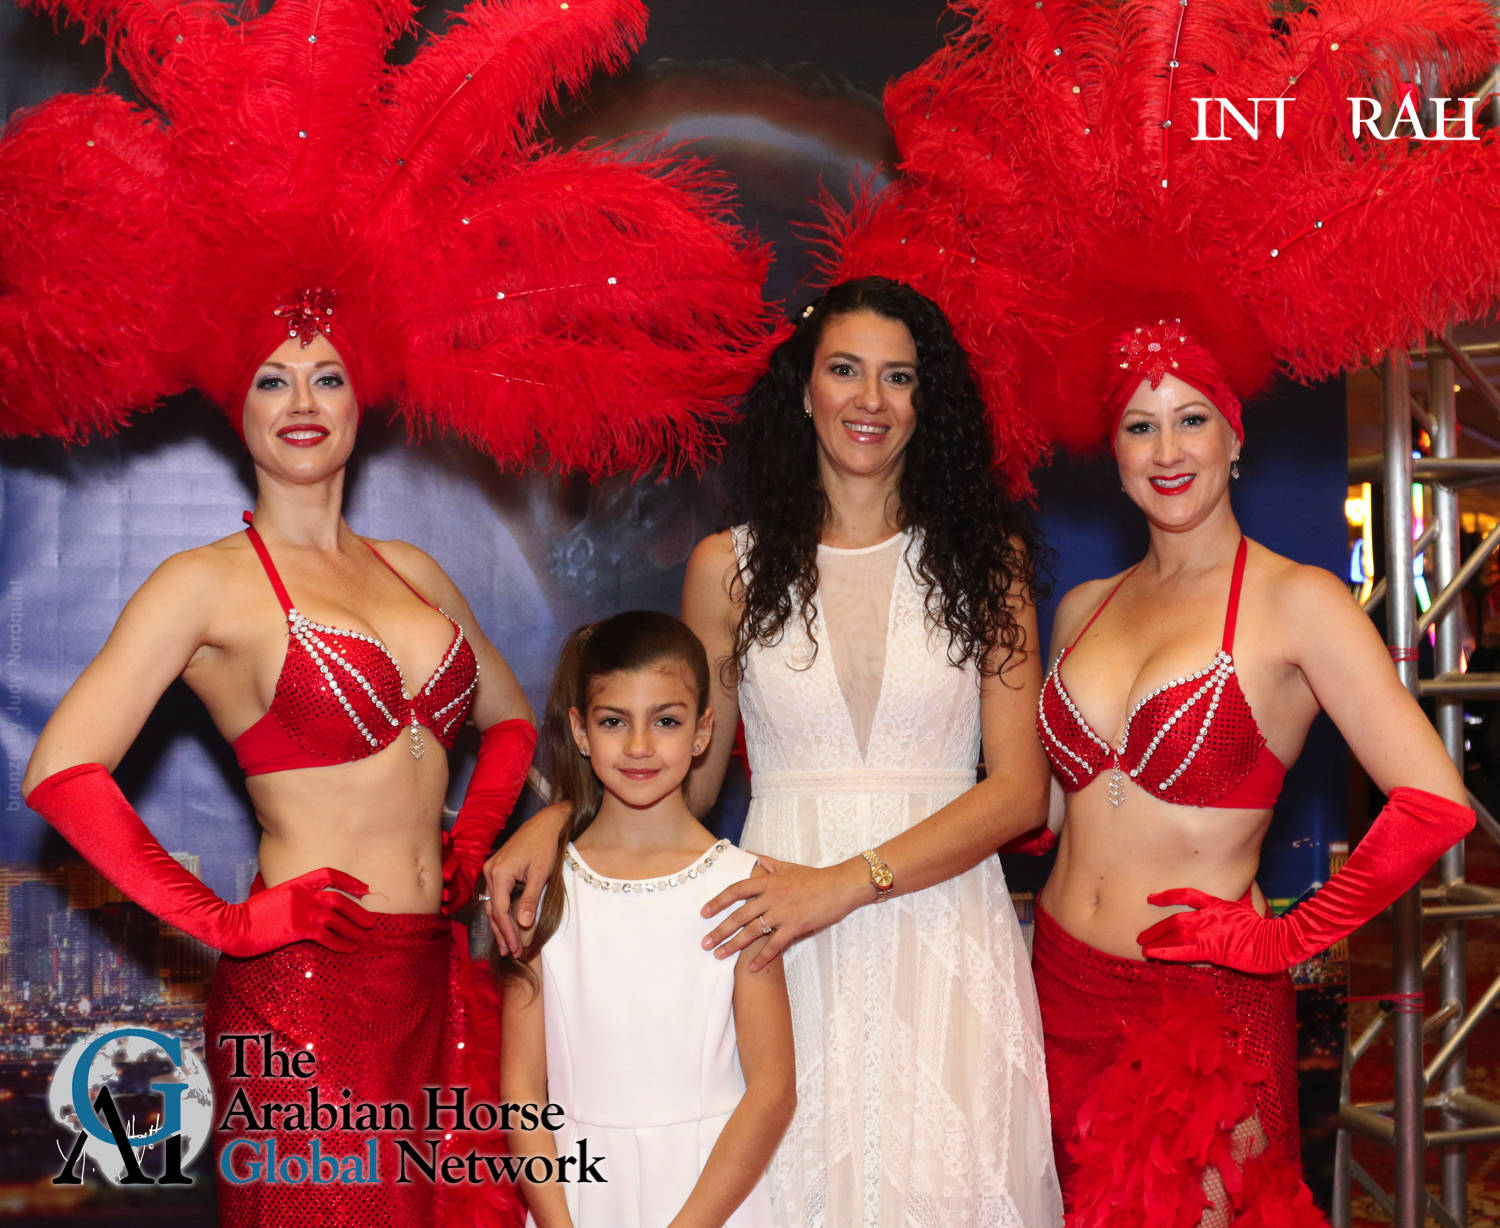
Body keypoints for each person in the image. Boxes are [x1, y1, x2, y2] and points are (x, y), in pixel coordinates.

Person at [4, 1, 781, 1222]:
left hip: (437, 977)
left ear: (363, 389)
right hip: (306, 999)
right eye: (272, 378)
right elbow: (62, 771)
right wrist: (226, 921)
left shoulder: (415, 570)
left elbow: (513, 724)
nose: (302, 401)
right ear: (236, 401)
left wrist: (473, 841)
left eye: (326, 374)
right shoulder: (206, 582)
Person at [817, 2, 1499, 1221]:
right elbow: (1048, 806)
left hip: (1198, 1011)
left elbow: (1435, 802)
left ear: (1235, 438)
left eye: (1192, 420)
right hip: (1053, 987)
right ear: (1114, 448)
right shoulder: (1085, 602)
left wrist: (1284, 942)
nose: (1166, 448)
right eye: (1140, 424)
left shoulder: (1298, 603)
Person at [489, 277, 1063, 1227]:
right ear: (804, 388)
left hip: (943, 933)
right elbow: (683, 774)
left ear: (928, 402)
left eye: (898, 377)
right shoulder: (728, 567)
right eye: (845, 370)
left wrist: (844, 884)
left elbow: (1018, 792)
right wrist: (559, 819)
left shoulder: (985, 563)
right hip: (775, 939)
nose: (870, 400)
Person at [497, 610, 794, 1228]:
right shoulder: (546, 888)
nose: (639, 746)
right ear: (580, 731)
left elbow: (771, 1090)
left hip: (711, 1199)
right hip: (576, 1196)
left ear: (703, 731)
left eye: (665, 721)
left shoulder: (743, 887)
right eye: (613, 721)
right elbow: (522, 1089)